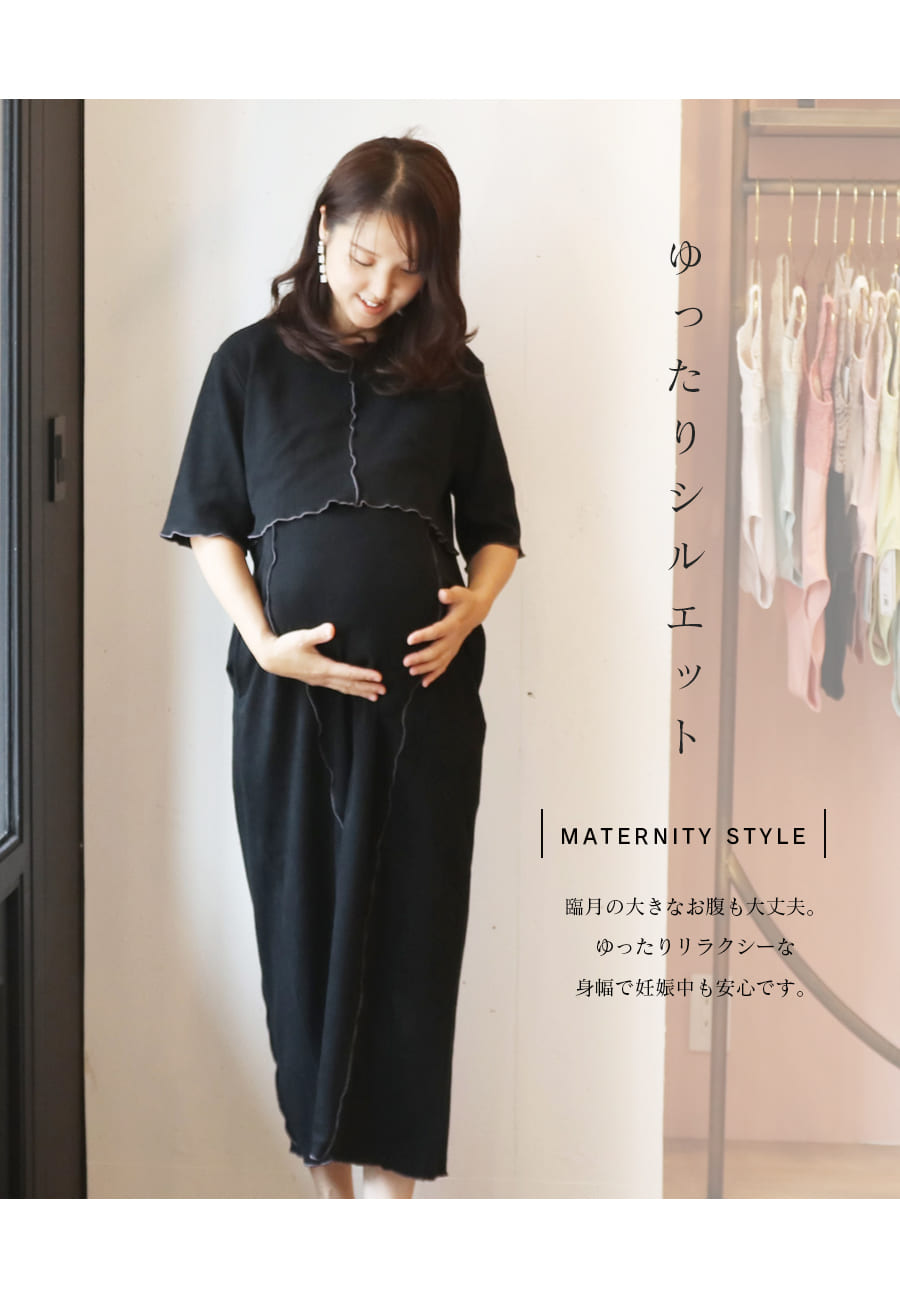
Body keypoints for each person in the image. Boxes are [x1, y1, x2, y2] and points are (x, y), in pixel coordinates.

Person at [160, 134, 523, 1199]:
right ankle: (328, 1196)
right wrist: (266, 644)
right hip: (290, 712)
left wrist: (472, 612)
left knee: (413, 945)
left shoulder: (452, 379)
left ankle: (392, 1207)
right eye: (366, 257)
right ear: (325, 230)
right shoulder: (247, 365)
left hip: (424, 710)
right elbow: (209, 523)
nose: (381, 288)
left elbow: (496, 531)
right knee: (302, 941)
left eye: (410, 270)